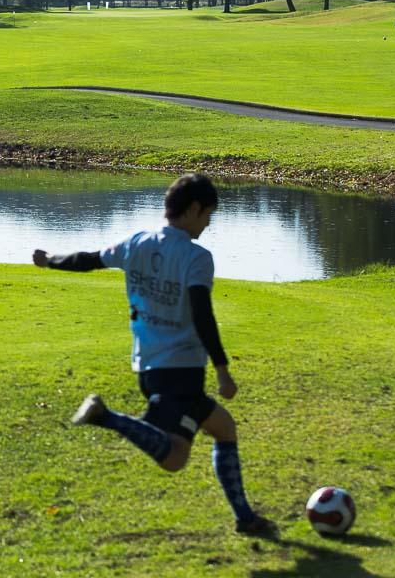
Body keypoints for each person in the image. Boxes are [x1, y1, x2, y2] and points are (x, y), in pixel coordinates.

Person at [32, 173, 275, 535]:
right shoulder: (196, 257)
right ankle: (106, 416)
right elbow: (201, 313)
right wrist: (222, 369)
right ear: (193, 209)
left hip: (149, 367)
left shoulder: (137, 243)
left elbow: (89, 259)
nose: (208, 224)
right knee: (176, 458)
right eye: (208, 215)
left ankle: (245, 518)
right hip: (181, 371)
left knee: (224, 429)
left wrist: (51, 259)